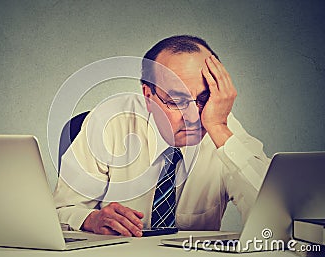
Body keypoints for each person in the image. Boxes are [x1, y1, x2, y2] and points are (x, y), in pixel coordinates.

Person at [53, 35, 270, 237]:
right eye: (177, 101)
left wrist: (219, 128)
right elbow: (59, 210)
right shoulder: (110, 121)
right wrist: (91, 219)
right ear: (149, 96)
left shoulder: (221, 128)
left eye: (205, 98)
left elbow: (275, 217)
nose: (193, 116)